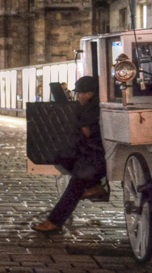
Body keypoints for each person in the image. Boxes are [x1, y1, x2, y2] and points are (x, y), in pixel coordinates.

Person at [32, 75, 108, 233]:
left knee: (76, 184)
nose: (78, 96)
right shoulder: (90, 105)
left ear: (90, 93)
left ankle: (54, 221)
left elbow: (87, 132)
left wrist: (74, 117)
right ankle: (95, 185)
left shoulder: (91, 108)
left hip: (96, 155)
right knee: (64, 160)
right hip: (92, 153)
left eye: (80, 93)